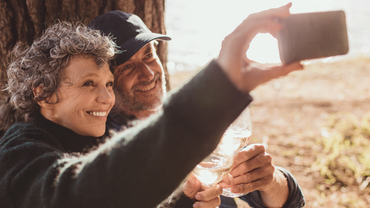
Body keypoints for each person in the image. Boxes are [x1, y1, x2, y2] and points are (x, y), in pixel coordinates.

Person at [0, 5, 303, 208]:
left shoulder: (99, 136)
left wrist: (267, 179)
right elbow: (82, 192)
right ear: (44, 94)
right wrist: (219, 85)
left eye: (106, 83)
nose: (106, 98)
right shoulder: (19, 148)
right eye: (88, 84)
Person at [90, 4, 305, 208]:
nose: (148, 73)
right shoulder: (107, 148)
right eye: (128, 67)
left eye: (149, 55)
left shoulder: (192, 117)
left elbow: (292, 201)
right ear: (107, 80)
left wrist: (268, 180)